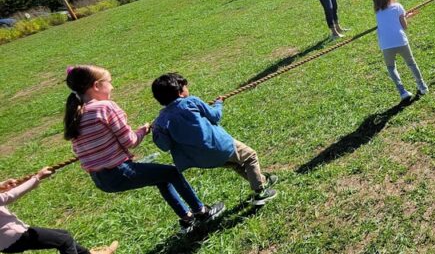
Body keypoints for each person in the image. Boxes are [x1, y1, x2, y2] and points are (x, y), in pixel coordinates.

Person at [64, 65, 224, 234]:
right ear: (96, 86)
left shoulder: (77, 111)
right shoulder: (105, 107)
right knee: (171, 173)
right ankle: (202, 212)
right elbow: (130, 141)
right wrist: (144, 129)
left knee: (161, 178)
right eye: (109, 82)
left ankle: (187, 219)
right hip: (118, 172)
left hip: (99, 179)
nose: (112, 87)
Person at [150, 73, 278, 207]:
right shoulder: (191, 101)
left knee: (236, 163)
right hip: (220, 146)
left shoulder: (161, 120)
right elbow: (215, 116)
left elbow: (164, 145)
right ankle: (260, 192)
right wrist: (218, 104)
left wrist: (156, 131)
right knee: (250, 156)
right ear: (180, 92)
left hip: (201, 160)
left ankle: (261, 180)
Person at [0, 167, 117, 254]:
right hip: (14, 236)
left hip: (8, 239)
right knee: (64, 241)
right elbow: (8, 197)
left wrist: (1, 186)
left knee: (63, 235)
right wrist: (37, 178)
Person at [371, 0, 428, 102]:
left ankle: (402, 91)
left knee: (391, 67)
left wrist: (402, 17)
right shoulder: (397, 6)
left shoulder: (377, 12)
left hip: (386, 44)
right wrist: (405, 17)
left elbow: (389, 21)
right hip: (400, 41)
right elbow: (404, 26)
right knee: (411, 63)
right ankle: (422, 86)